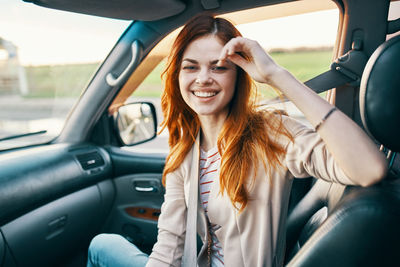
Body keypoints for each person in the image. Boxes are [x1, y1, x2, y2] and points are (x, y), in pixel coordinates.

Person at [87, 14, 388, 267]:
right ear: (177, 77)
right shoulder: (185, 149)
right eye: (191, 67)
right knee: (104, 244)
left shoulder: (270, 133)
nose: (203, 78)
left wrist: (276, 75)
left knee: (101, 247)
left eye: (219, 67)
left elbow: (369, 169)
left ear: (238, 75)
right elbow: (168, 249)